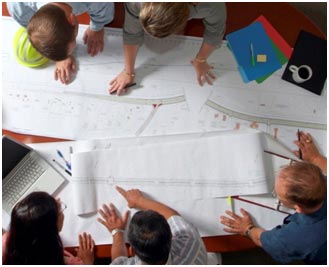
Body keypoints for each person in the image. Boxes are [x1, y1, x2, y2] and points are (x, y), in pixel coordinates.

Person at [219, 132, 327, 265]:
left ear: (298, 207)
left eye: (278, 194)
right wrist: (316, 158)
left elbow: (261, 239)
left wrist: (247, 229)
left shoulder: (293, 237)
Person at [109, 3, 227, 95]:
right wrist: (128, 71)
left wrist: (201, 59)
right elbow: (132, 33)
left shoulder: (210, 5)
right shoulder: (134, 3)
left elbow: (215, 32)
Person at [7, 2, 114, 84]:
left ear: (72, 20)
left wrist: (97, 27)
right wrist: (62, 55)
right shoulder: (17, 6)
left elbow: (104, 8)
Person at [98, 186, 207, 264]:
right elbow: (172, 216)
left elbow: (118, 262)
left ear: (132, 251)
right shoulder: (191, 243)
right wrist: (139, 200)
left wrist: (117, 233)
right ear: (171, 236)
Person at [2, 191, 95, 265]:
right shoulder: (50, 258)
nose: (59, 204)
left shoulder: (7, 240)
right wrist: (87, 263)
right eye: (59, 212)